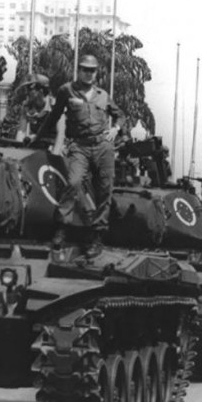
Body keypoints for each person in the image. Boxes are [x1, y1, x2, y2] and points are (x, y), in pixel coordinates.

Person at [43, 54, 124, 257]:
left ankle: (97, 237)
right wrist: (38, 137)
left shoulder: (103, 95)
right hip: (79, 145)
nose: (88, 74)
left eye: (92, 70)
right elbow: (53, 117)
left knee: (105, 189)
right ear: (78, 70)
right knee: (74, 182)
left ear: (96, 73)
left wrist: (115, 129)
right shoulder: (66, 90)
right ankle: (61, 229)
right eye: (85, 69)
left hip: (103, 146)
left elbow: (120, 115)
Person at [14, 73, 59, 142]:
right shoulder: (26, 106)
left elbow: (61, 135)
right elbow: (21, 132)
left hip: (57, 144)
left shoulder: (54, 105)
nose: (27, 92)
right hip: (38, 144)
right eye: (26, 89)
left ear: (41, 90)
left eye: (30, 89)